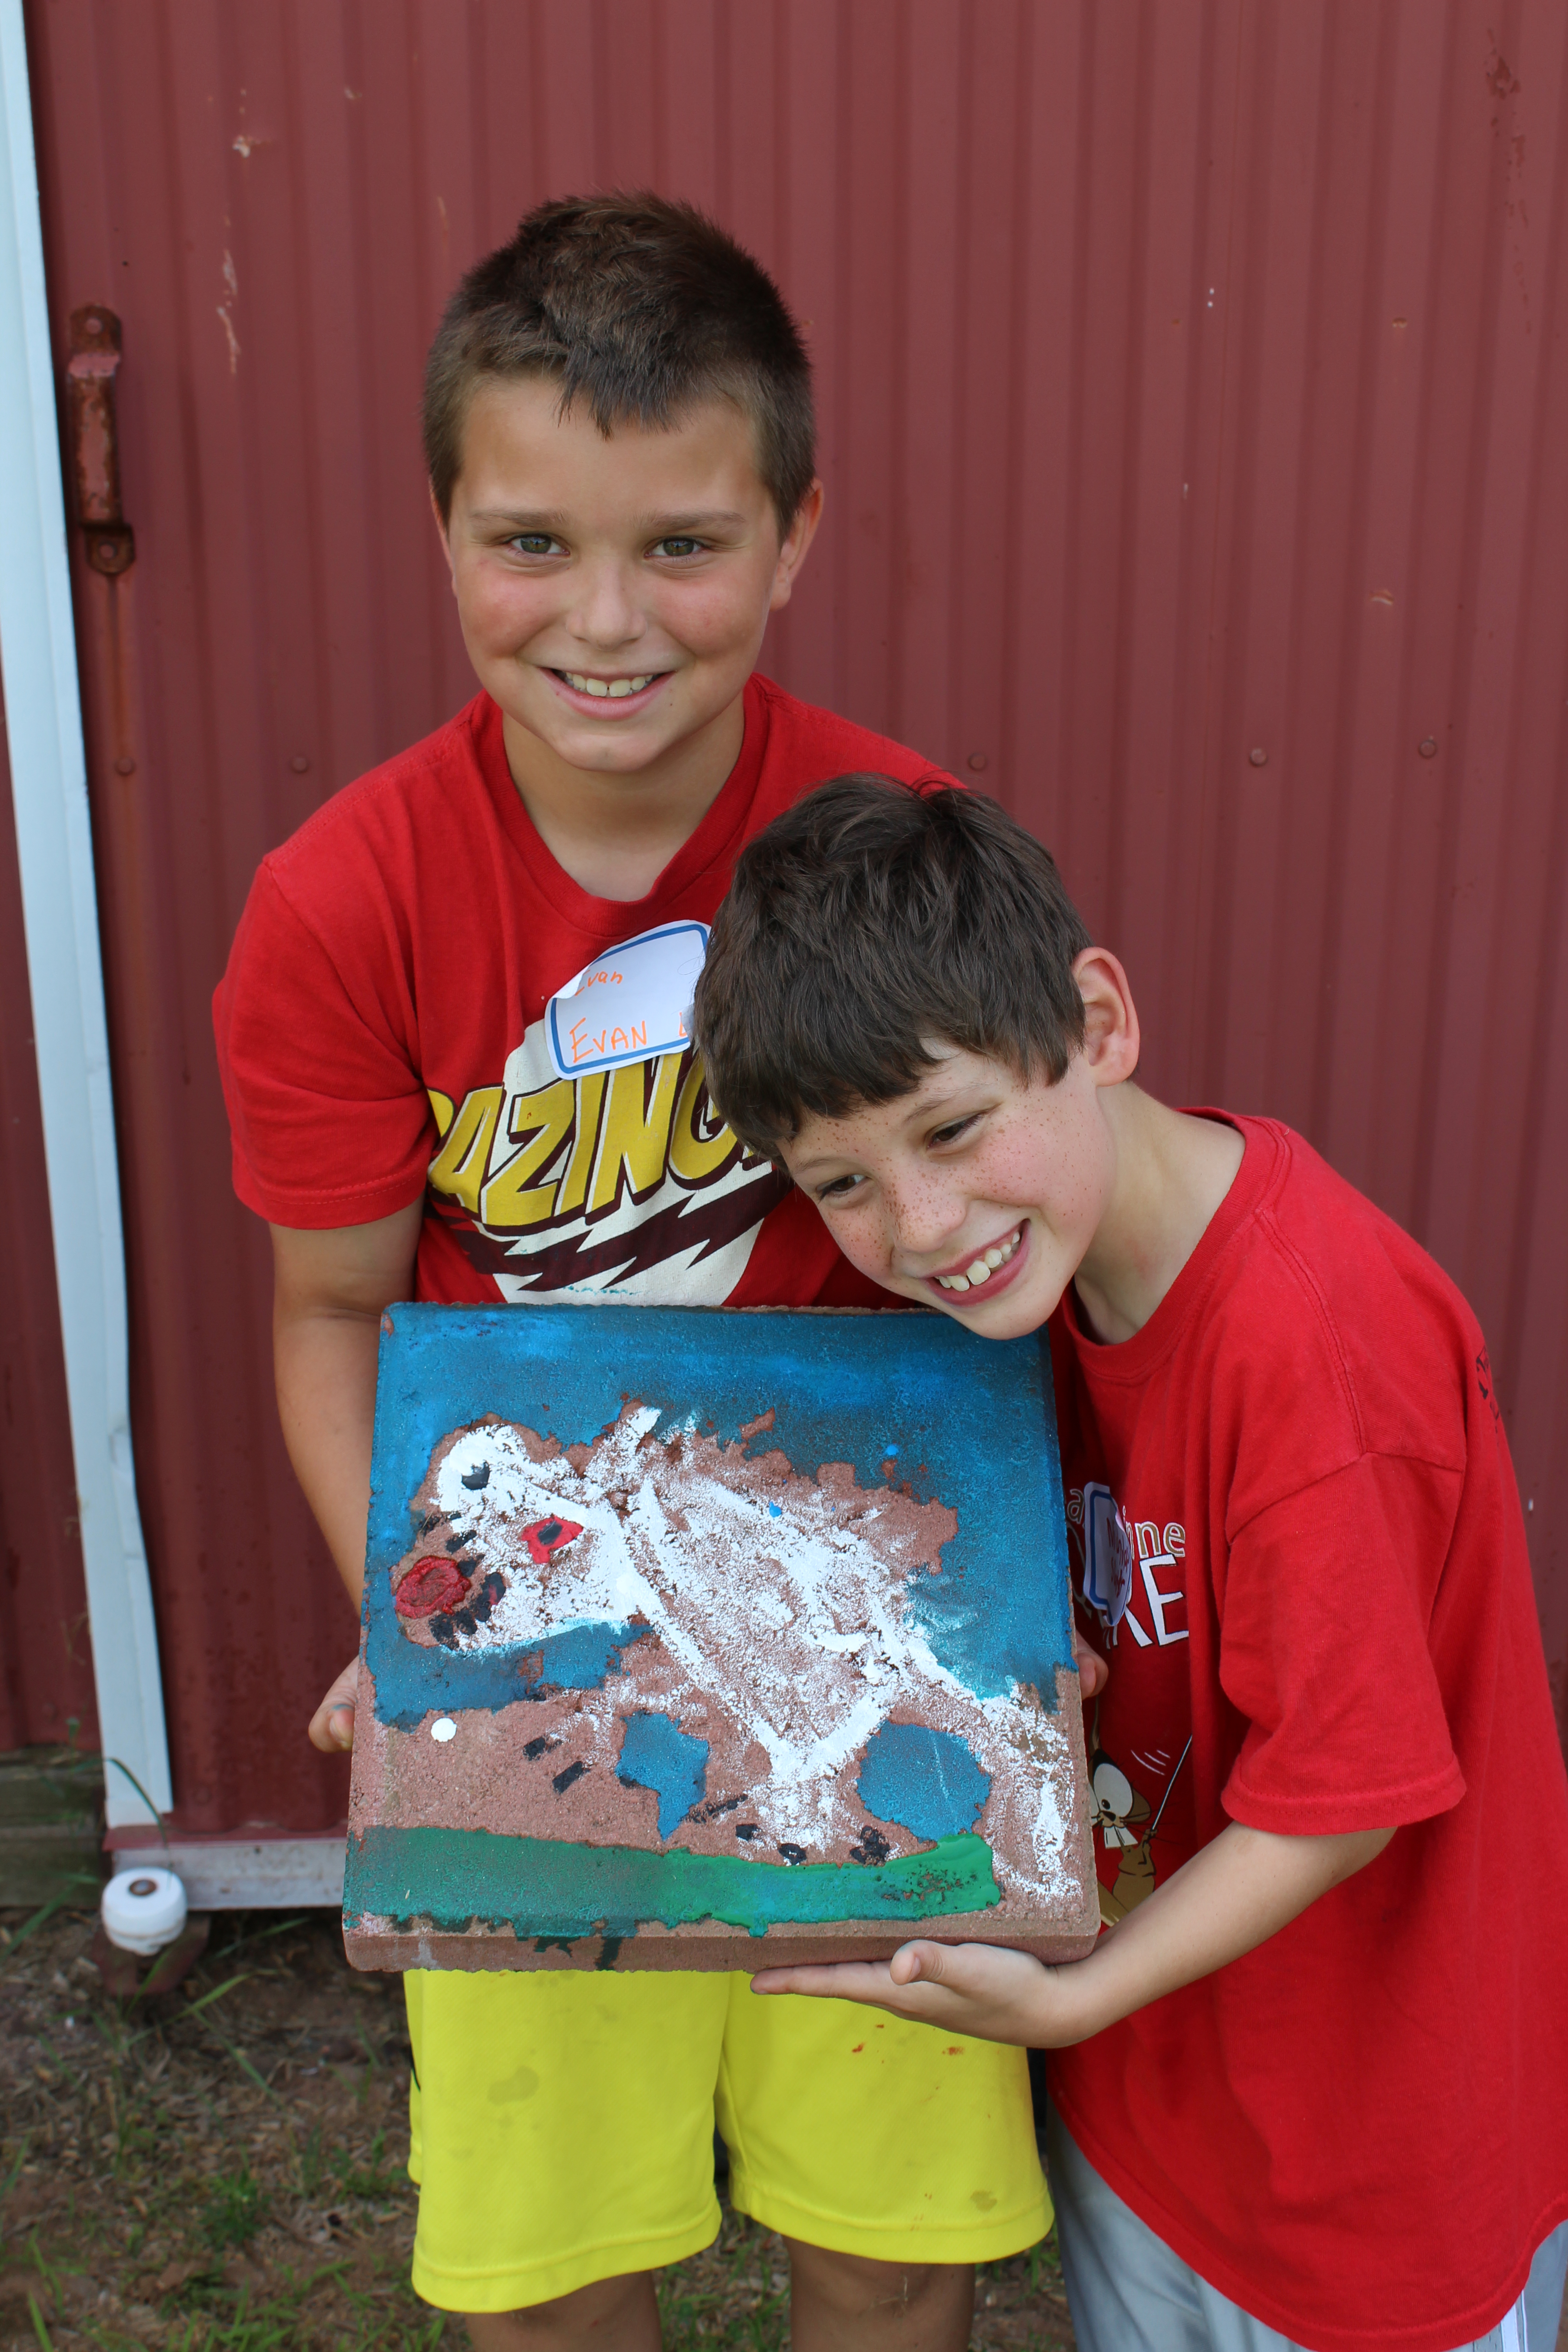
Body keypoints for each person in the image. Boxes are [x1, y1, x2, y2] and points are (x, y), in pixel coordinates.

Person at [212, 196, 1055, 2349]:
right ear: (442, 530)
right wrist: (407, 1617)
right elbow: (329, 1312)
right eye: (531, 544)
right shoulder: (345, 905)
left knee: (887, 2230)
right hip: (556, 1671)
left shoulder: (899, 842)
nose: (606, 619)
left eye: (682, 544)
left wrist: (1027, 1618)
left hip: (847, 1595)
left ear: (792, 536)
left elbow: (1029, 1244)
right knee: (556, 2246)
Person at [689, 772, 1568, 2352]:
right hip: (1164, 2109)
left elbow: (1352, 1800)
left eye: (954, 1129)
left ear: (1097, 1020)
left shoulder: (1315, 1347)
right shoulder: (1033, 1291)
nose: (924, 1222)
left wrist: (1076, 1996)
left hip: (1362, 2155)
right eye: (845, 1182)